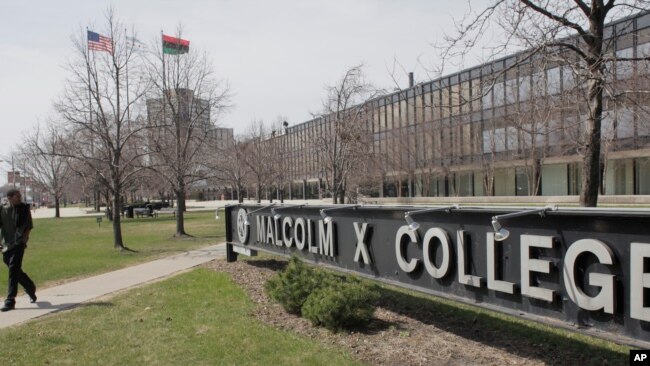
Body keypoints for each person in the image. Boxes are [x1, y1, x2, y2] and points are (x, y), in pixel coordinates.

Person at [0, 189, 36, 311]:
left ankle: (10, 301)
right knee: (13, 269)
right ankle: (30, 286)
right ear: (9, 198)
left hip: (18, 244)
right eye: (17, 196)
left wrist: (24, 240)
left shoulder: (24, 208)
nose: (20, 198)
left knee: (13, 269)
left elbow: (29, 226)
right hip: (6, 245)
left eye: (20, 196)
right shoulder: (2, 208)